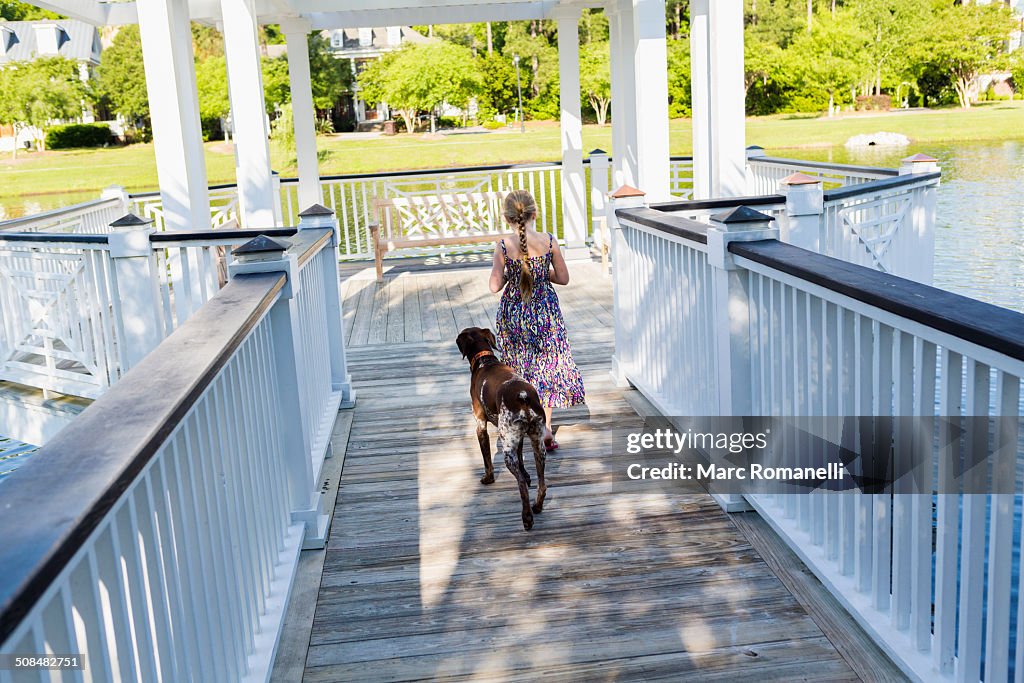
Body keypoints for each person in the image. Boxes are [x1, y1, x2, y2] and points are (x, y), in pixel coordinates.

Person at [488, 190, 585, 450]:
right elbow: (563, 278)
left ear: (506, 217)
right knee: (548, 368)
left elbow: (494, 286)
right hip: (545, 313)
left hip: (514, 315)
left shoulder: (503, 246)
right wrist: (541, 274)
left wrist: (513, 275)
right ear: (534, 213)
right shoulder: (549, 241)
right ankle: (546, 429)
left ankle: (520, 423)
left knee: (519, 369)